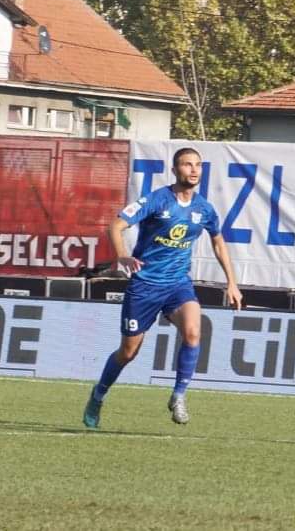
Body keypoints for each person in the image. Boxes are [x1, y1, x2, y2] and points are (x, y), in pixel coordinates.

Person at [83, 147, 242, 428]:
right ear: (175, 169)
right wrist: (122, 256)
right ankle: (99, 394)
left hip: (178, 284)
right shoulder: (157, 200)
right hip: (145, 285)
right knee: (128, 352)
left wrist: (232, 282)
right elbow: (116, 226)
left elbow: (218, 241)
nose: (193, 170)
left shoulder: (204, 208)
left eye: (197, 165)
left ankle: (179, 395)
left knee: (193, 332)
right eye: (186, 165)